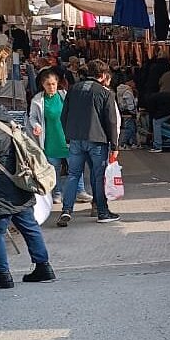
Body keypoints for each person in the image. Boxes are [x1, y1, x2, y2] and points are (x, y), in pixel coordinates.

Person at [0, 86, 55, 287]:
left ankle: (2, 275)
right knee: (29, 226)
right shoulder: (4, 118)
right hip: (19, 182)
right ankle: (44, 267)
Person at [59, 59, 121, 226]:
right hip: (97, 140)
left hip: (75, 140)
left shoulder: (73, 89)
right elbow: (111, 121)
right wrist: (114, 145)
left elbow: (64, 115)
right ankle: (102, 211)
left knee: (73, 175)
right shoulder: (105, 93)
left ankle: (66, 210)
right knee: (98, 176)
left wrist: (68, 136)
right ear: (102, 76)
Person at [27, 68, 90, 206]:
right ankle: (57, 193)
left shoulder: (64, 95)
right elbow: (32, 117)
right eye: (48, 84)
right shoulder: (38, 100)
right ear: (43, 85)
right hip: (50, 139)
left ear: (57, 83)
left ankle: (80, 191)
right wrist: (36, 125)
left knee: (75, 166)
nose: (51, 87)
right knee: (53, 169)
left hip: (67, 138)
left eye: (53, 84)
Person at [116, 78, 139, 149]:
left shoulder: (121, 90)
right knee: (129, 128)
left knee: (131, 128)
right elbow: (130, 104)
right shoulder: (128, 91)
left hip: (124, 111)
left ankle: (134, 143)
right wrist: (133, 111)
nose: (134, 84)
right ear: (130, 82)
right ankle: (122, 144)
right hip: (129, 112)